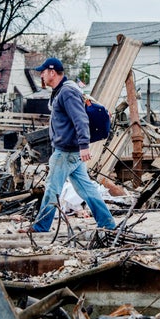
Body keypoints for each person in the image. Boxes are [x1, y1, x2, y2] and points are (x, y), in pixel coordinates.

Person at [28, 57, 117, 233]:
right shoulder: (61, 91)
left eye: (43, 72)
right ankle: (107, 223)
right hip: (71, 150)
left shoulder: (67, 92)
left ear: (52, 72)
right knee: (86, 188)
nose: (42, 76)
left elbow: (81, 119)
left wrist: (84, 145)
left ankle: (41, 227)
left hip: (66, 151)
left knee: (52, 188)